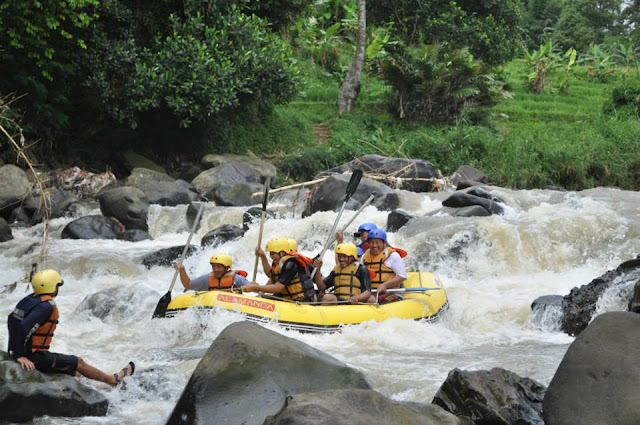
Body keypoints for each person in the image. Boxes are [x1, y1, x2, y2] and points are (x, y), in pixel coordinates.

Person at [7, 269, 134, 387]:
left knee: (72, 369)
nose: (58, 288)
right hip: (35, 358)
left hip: (27, 352)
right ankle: (113, 381)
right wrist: (20, 356)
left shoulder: (29, 299)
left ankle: (97, 388)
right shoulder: (46, 307)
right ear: (51, 287)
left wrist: (13, 350)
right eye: (57, 286)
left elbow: (12, 320)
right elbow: (24, 327)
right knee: (78, 362)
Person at [242, 237, 316, 302]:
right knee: (261, 299)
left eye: (273, 253)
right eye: (270, 253)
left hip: (303, 300)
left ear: (282, 252)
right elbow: (270, 275)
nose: (271, 256)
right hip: (287, 298)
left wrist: (255, 288)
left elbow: (278, 288)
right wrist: (262, 256)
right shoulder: (279, 263)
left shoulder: (291, 264)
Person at [360, 229, 407, 304]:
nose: (374, 245)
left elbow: (402, 276)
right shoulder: (364, 257)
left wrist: (385, 285)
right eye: (372, 242)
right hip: (371, 293)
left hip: (391, 293)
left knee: (370, 299)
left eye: (377, 242)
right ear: (368, 243)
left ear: (384, 243)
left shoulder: (393, 255)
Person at [173, 253, 248, 292]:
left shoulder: (236, 279)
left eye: (219, 267)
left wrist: (246, 288)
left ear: (227, 268)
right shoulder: (207, 279)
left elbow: (253, 286)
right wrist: (182, 271)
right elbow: (188, 285)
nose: (215, 269)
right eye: (213, 266)